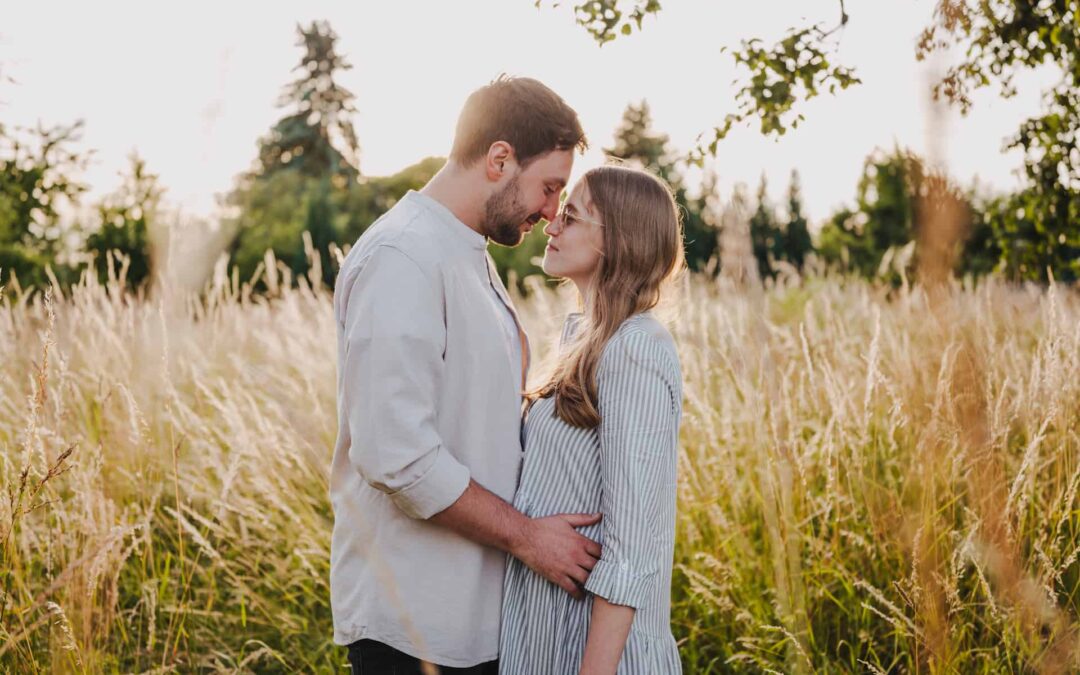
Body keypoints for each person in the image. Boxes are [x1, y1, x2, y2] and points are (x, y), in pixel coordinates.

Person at [329, 75, 599, 674]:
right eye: (549, 187)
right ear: (499, 158)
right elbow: (395, 453)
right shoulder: (404, 258)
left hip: (469, 620)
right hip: (413, 627)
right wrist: (530, 537)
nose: (553, 212)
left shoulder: (465, 252)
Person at [499, 165, 686, 675]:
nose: (552, 226)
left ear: (618, 243)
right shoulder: (581, 342)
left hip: (596, 655)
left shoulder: (636, 349)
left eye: (572, 217)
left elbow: (631, 551)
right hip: (548, 639)